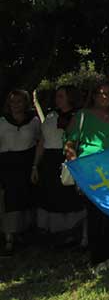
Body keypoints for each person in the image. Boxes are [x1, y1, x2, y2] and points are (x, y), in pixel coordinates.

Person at [64, 82, 109, 275]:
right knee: (96, 217)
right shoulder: (83, 116)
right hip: (91, 174)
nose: (104, 97)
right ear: (94, 96)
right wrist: (79, 174)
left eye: (108, 93)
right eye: (100, 93)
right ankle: (97, 258)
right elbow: (70, 145)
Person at [34, 86, 84, 247]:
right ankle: (51, 233)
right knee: (50, 195)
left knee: (68, 197)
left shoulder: (78, 116)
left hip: (67, 157)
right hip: (49, 159)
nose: (58, 99)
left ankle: (71, 233)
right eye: (57, 96)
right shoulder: (50, 116)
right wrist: (35, 165)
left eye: (61, 96)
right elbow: (42, 141)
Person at [0, 89, 41, 256]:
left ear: (25, 103)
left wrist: (35, 166)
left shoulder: (33, 121)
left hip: (27, 163)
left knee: (27, 199)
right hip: (7, 164)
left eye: (19, 101)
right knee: (9, 201)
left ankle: (24, 234)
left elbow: (39, 141)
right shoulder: (2, 121)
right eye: (13, 102)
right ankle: (9, 238)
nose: (16, 105)